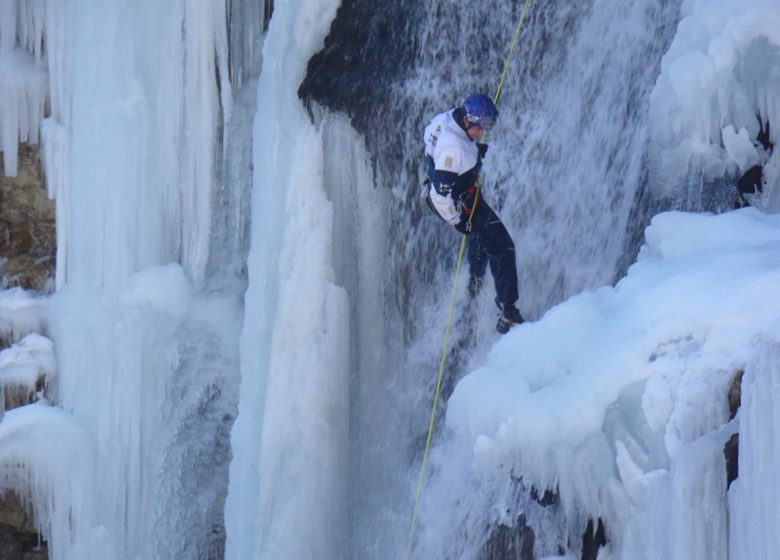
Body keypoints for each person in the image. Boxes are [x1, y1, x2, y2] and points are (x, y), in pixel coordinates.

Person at [423, 93, 524, 334]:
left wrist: (474, 148)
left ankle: (475, 280)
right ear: (468, 120)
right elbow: (440, 195)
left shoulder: (446, 119)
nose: (484, 132)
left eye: (488, 126)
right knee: (502, 245)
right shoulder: (454, 153)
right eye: (482, 127)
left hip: (453, 188)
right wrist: (457, 221)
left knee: (481, 234)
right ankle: (508, 311)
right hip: (457, 202)